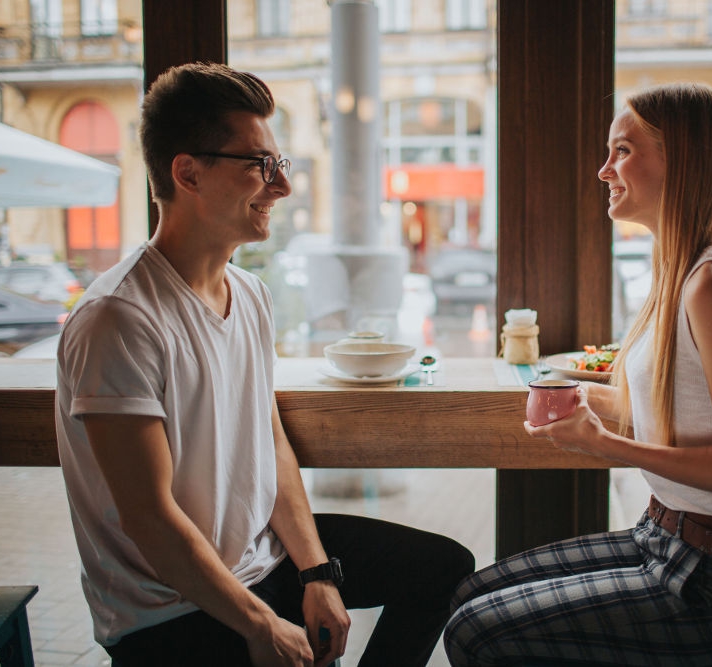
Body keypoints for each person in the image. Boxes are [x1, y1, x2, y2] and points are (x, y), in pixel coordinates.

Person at [56, 62, 473, 667]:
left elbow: (269, 441)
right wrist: (261, 625)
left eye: (279, 164)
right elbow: (149, 519)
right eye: (260, 165)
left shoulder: (250, 294)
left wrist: (317, 573)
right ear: (187, 173)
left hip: (262, 562)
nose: (282, 187)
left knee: (444, 568)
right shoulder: (118, 318)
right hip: (170, 612)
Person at [444, 82, 712, 666]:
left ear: (680, 160)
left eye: (623, 151)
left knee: (475, 633)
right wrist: (578, 396)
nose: (603, 170)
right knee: (468, 595)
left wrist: (607, 446)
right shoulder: (683, 272)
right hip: (664, 536)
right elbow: (674, 407)